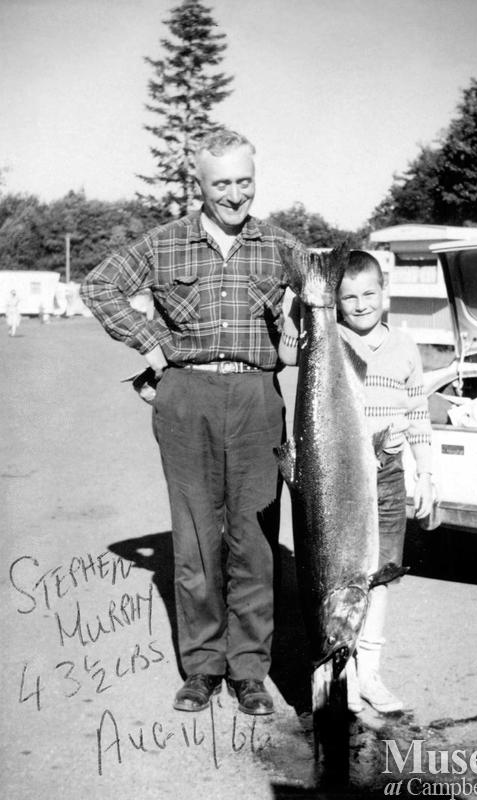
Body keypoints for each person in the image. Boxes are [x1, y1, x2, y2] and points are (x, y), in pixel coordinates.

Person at [81, 129, 299, 717]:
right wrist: (151, 345)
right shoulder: (163, 242)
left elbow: (329, 298)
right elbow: (98, 285)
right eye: (221, 182)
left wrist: (306, 327)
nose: (235, 194)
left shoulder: (282, 246)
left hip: (257, 398)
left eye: (244, 181)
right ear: (197, 182)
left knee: (255, 542)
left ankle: (249, 671)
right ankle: (203, 666)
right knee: (197, 538)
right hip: (187, 395)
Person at [279, 249, 435, 713]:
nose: (361, 304)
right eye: (349, 297)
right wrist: (304, 302)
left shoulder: (404, 345)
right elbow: (286, 353)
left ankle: (369, 675)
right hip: (338, 471)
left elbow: (419, 411)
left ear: (385, 293)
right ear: (337, 301)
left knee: (380, 576)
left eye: (369, 294)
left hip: (387, 473)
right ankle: (336, 677)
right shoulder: (330, 335)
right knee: (347, 577)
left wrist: (426, 472)